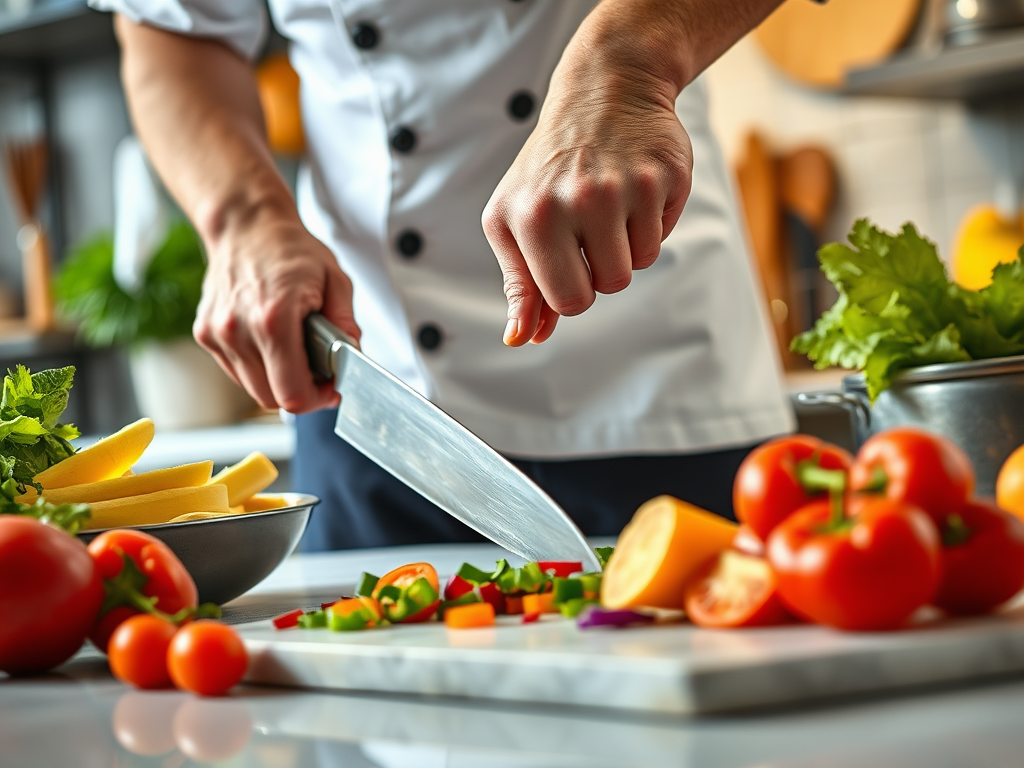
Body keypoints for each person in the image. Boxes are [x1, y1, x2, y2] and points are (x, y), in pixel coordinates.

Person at [94, 0, 809, 550]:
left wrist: (630, 62)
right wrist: (244, 218)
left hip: (663, 370)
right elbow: (172, 28)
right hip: (375, 387)